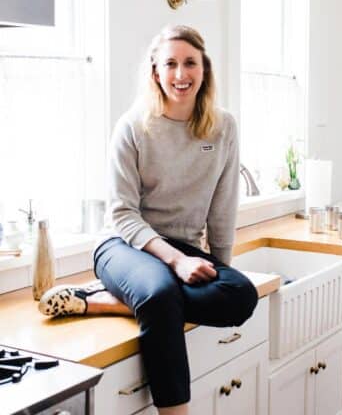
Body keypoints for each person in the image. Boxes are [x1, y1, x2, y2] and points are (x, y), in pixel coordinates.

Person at [39, 25, 258, 415]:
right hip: (123, 246)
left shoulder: (223, 127)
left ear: (204, 69)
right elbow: (122, 212)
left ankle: (108, 303)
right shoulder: (133, 126)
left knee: (242, 295)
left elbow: (222, 207)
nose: (180, 74)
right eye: (170, 63)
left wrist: (221, 271)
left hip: (183, 247)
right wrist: (176, 260)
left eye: (190, 63)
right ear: (155, 71)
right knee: (159, 295)